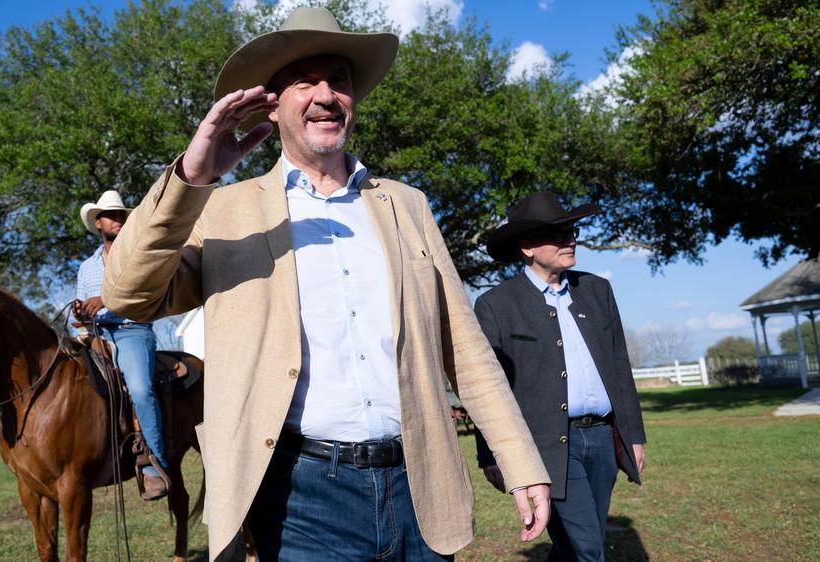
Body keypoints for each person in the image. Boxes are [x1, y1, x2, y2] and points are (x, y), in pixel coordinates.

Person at [102, 7, 551, 561]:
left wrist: (521, 459)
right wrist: (192, 179)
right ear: (273, 102)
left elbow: (465, 347)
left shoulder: (406, 205)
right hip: (299, 497)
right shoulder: (225, 209)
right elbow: (126, 294)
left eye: (338, 80)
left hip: (420, 484)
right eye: (304, 81)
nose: (325, 94)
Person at [472, 191, 647, 562]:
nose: (570, 240)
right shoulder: (496, 305)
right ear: (527, 247)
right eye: (558, 234)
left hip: (602, 440)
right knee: (586, 550)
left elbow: (619, 368)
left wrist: (633, 436)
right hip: (547, 447)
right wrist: (490, 456)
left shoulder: (597, 290)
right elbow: (486, 386)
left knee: (578, 543)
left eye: (572, 231)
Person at [73, 190, 169, 501]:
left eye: (121, 215)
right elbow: (80, 305)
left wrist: (105, 300)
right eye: (111, 215)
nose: (118, 219)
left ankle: (155, 465)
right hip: (95, 334)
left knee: (140, 389)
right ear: (98, 223)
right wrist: (79, 313)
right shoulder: (86, 267)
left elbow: (145, 295)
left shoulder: (137, 255)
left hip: (131, 329)